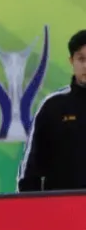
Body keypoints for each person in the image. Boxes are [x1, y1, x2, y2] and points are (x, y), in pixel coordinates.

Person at [17, 30, 86, 192]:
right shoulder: (52, 107)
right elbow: (31, 170)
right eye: (81, 59)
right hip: (62, 204)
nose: (85, 65)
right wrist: (28, 203)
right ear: (71, 61)